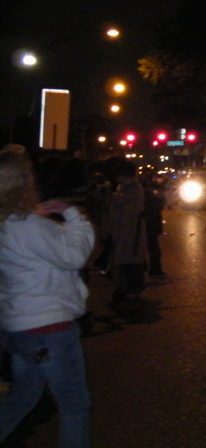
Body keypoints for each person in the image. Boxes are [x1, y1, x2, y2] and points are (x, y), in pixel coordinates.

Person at [0, 145, 94, 447]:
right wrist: (74, 217)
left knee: (22, 398)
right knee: (73, 405)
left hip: (18, 326)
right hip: (50, 328)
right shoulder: (29, 226)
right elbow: (75, 255)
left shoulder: (6, 225)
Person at [108, 160, 148, 303]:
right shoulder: (123, 187)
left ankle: (134, 288)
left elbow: (119, 201)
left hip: (132, 227)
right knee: (124, 257)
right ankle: (124, 287)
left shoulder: (133, 188)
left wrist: (106, 194)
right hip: (123, 227)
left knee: (132, 258)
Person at [141, 175, 166, 277]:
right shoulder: (149, 194)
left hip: (148, 225)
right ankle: (154, 269)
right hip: (151, 225)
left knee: (147, 248)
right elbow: (157, 208)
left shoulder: (144, 194)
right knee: (152, 248)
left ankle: (149, 268)